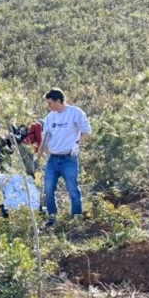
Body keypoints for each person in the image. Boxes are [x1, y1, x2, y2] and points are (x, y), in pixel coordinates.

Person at [35, 88, 92, 226]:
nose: (49, 106)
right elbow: (45, 139)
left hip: (69, 158)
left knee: (73, 188)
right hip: (53, 159)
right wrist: (37, 158)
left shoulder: (75, 113)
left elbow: (87, 131)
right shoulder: (50, 117)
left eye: (50, 103)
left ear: (59, 100)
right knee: (48, 189)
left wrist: (77, 143)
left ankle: (76, 215)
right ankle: (52, 216)